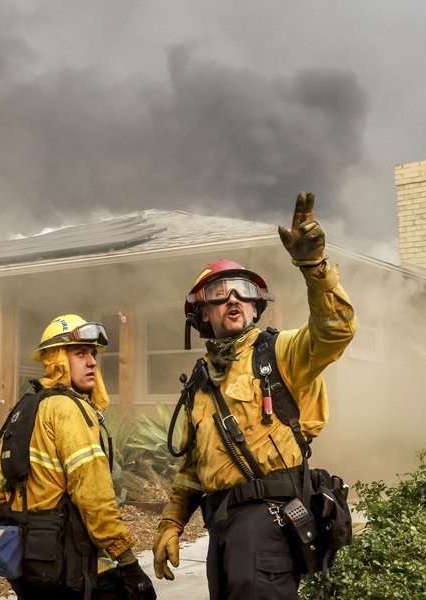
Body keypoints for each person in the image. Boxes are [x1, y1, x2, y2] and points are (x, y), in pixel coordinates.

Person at [152, 193, 357, 599]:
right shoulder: (201, 384)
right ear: (202, 313)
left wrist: (313, 266)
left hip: (269, 522)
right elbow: (194, 468)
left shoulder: (278, 352)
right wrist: (172, 525)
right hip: (224, 526)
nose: (232, 298)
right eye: (219, 292)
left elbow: (335, 331)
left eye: (242, 291)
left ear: (256, 305)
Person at [0, 314, 156, 600]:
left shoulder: (25, 410)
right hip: (74, 569)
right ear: (56, 360)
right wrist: (127, 562)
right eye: (80, 354)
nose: (92, 362)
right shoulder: (69, 410)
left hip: (32, 567)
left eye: (92, 354)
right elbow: (94, 497)